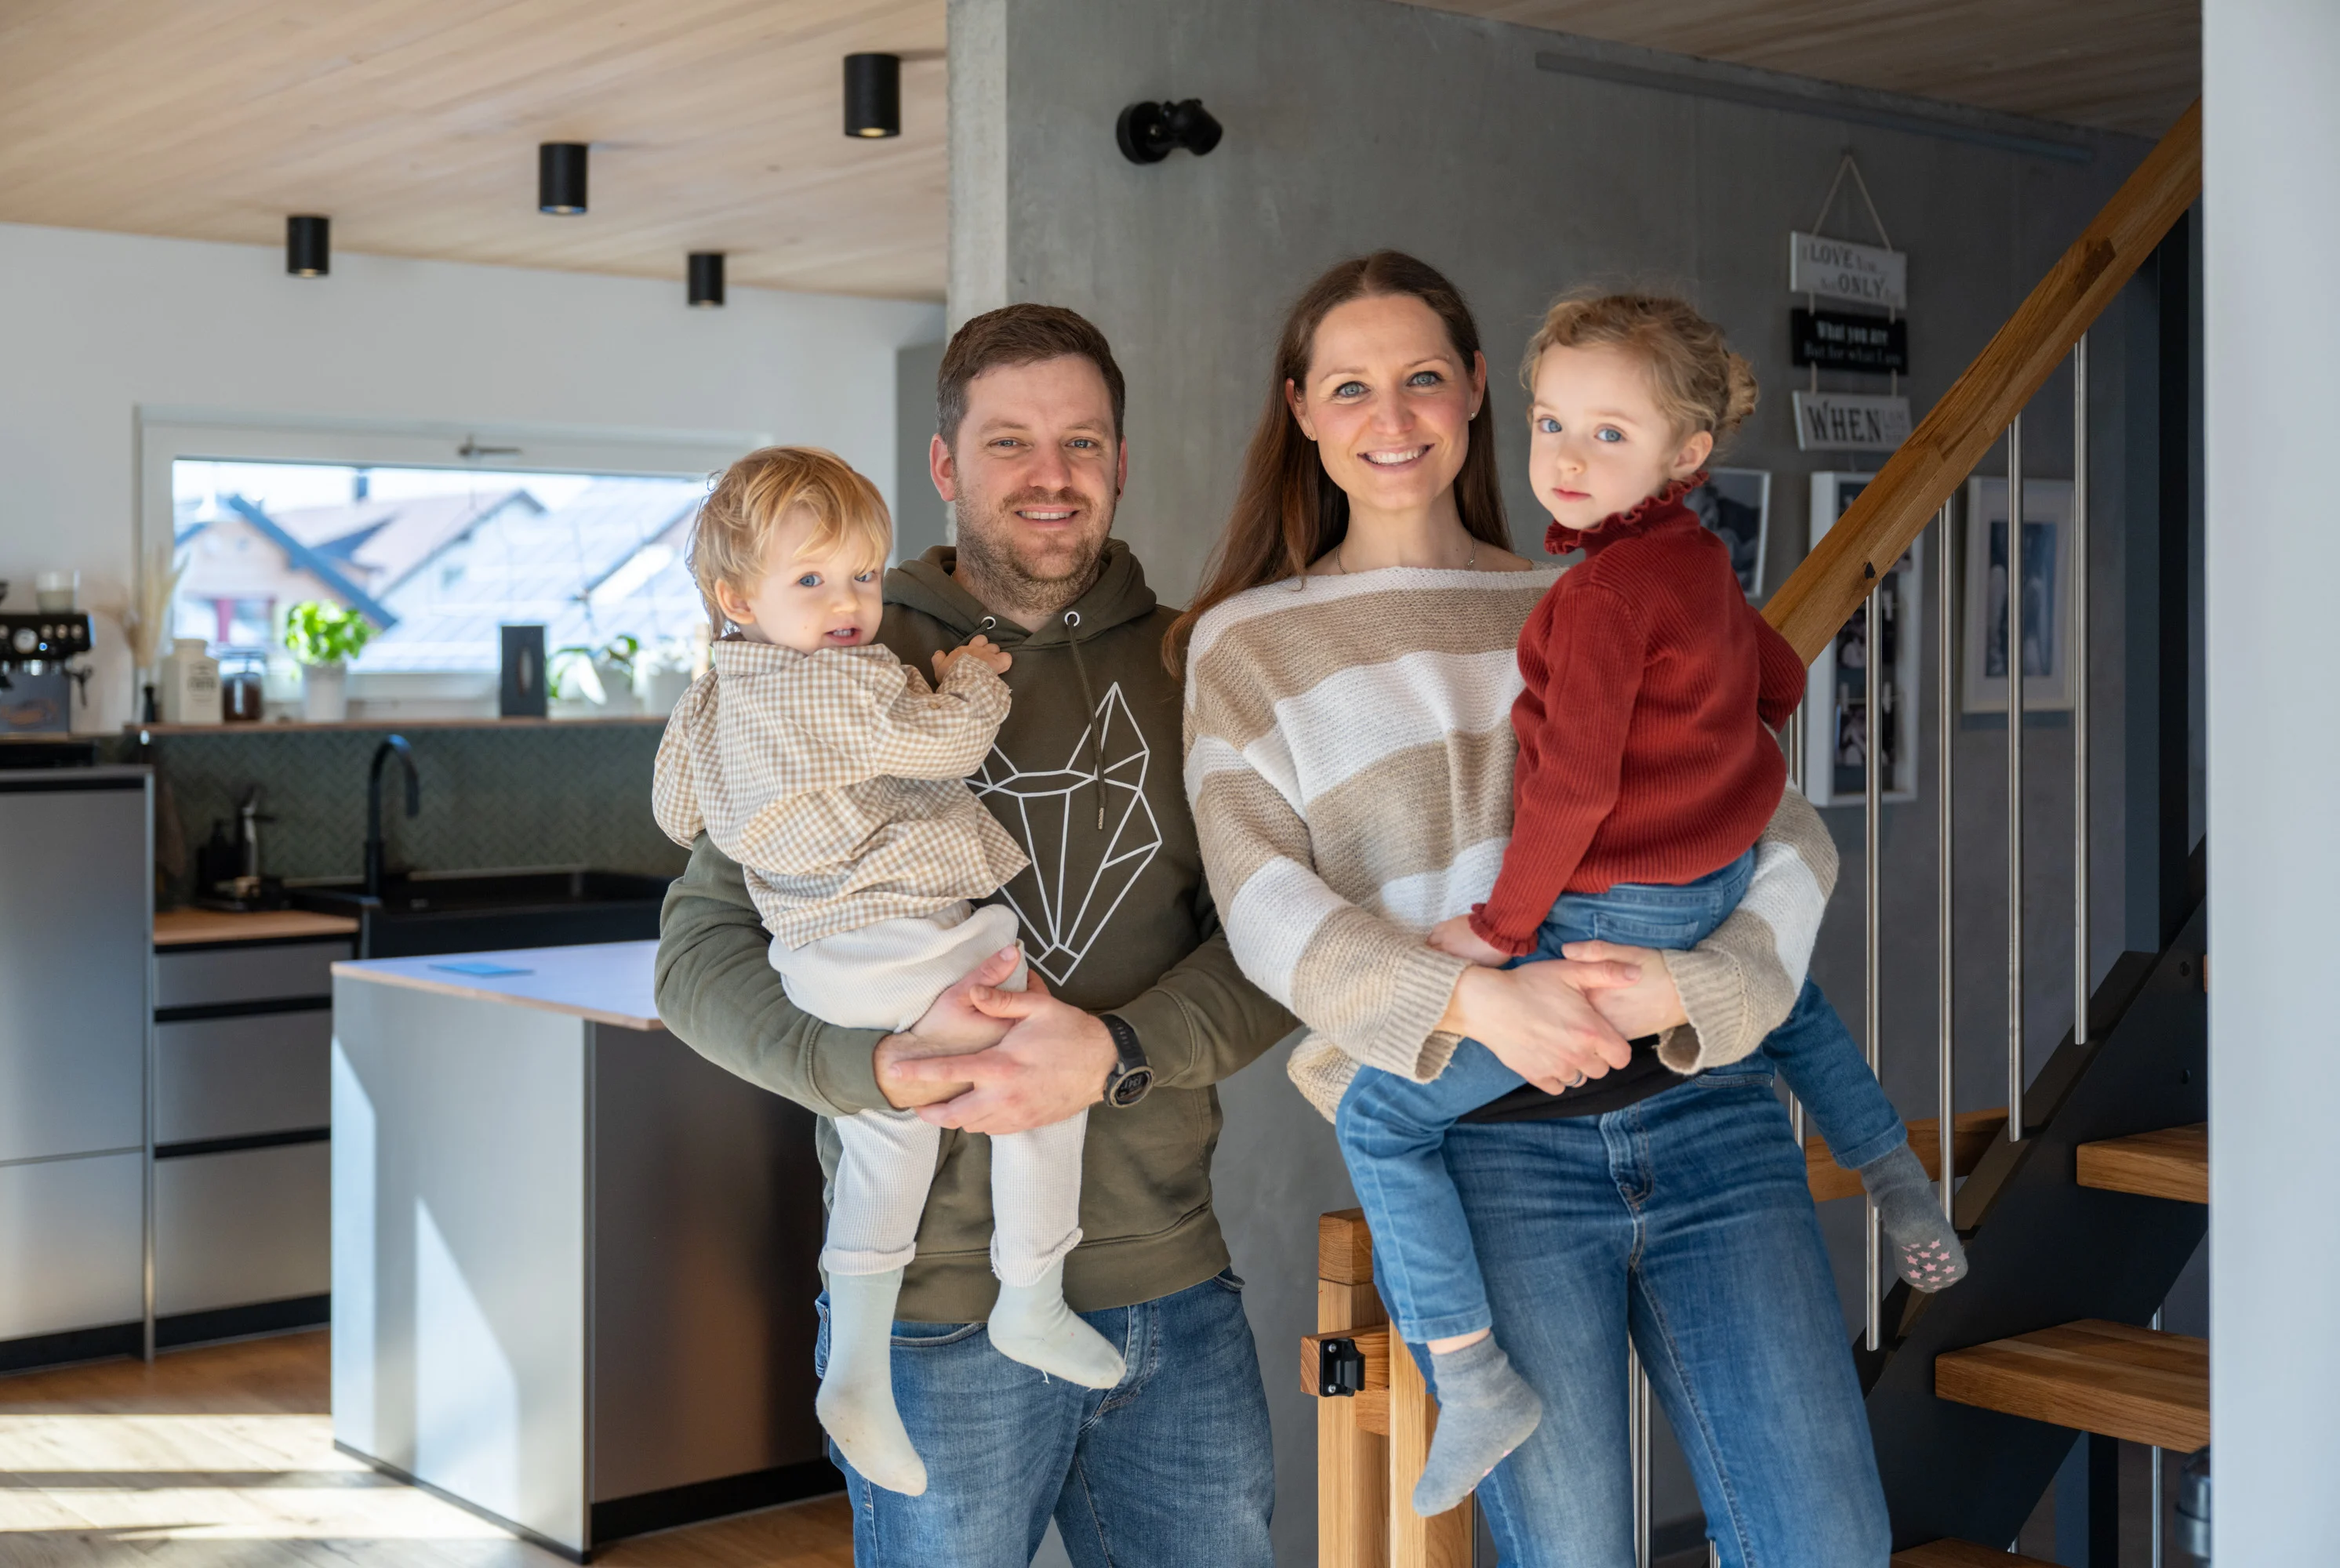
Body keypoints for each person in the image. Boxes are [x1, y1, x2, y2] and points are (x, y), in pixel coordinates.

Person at [1176, 252, 1893, 1565]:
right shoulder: (1251, 642)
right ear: (1301, 409)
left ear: (1478, 392)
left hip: (1711, 1119)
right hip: (1484, 1155)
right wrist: (1478, 998)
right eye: (1350, 387)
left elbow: (1780, 824)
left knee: (1827, 1542)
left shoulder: (1595, 591)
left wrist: (1706, 988)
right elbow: (1266, 909)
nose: (1390, 419)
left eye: (1423, 380)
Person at [654, 305, 1297, 1567]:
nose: (1049, 476)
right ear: (946, 468)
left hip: (1173, 1300)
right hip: (929, 1328)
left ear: (1121, 461)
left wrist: (1113, 1049)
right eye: (1009, 443)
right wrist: (864, 1073)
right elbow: (695, 962)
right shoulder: (828, 651)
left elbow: (1276, 945)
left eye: (1082, 443)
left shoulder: (1196, 667)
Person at [1315, 291, 1964, 1514]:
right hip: (1711, 886)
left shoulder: (1599, 596)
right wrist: (1716, 759)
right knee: (1790, 1008)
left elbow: (1570, 792)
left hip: (1607, 913)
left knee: (1379, 1121)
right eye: (1552, 422)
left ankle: (1471, 1380)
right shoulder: (1700, 560)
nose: (1563, 457)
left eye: (1607, 435)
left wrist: (1504, 935)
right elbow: (1773, 673)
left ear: (1687, 453)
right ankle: (1894, 1175)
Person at [651, 445, 1128, 1498]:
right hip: (900, 935)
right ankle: (1031, 1292)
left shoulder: (708, 698)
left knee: (885, 1151)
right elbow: (946, 747)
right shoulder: (839, 684)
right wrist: (968, 680)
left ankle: (856, 1370)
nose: (850, 606)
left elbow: (677, 813)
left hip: (821, 961)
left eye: (862, 576)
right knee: (1046, 1073)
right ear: (735, 597)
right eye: (813, 581)